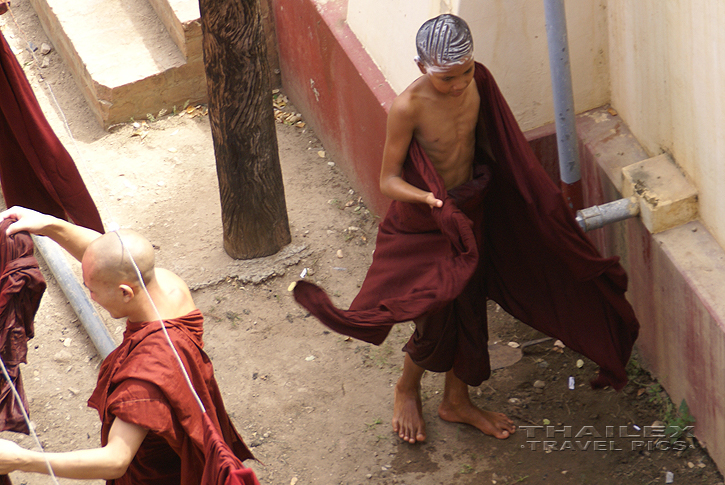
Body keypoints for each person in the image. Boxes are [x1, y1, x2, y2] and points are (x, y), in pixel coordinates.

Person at [294, 14, 638, 445]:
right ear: (422, 68)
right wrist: (428, 199)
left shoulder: (480, 82)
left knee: (470, 306)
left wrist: (525, 197)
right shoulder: (409, 107)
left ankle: (456, 401)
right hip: (428, 221)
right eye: (446, 78)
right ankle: (407, 387)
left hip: (471, 208)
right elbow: (388, 180)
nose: (458, 85)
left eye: (465, 72)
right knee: (434, 309)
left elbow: (498, 143)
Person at [0, 206, 256, 484]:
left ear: (125, 293)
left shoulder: (145, 376)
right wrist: (50, 225)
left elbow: (115, 461)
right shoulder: (168, 287)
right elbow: (113, 257)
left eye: (92, 289)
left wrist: (22, 459)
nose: (91, 296)